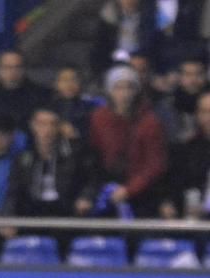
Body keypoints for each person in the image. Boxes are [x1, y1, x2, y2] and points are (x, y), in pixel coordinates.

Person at [88, 64, 168, 218]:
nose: (124, 94)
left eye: (129, 88)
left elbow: (155, 164)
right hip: (106, 187)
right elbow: (93, 156)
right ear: (109, 91)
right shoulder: (98, 118)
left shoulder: (150, 122)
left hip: (141, 192)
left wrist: (129, 189)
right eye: (118, 88)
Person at [0, 50, 50, 136]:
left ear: (24, 69)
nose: (13, 71)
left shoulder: (41, 94)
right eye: (7, 67)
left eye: (17, 67)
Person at [161, 90, 210, 220]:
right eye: (205, 112)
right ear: (198, 115)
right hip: (193, 220)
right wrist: (168, 204)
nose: (209, 117)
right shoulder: (186, 149)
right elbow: (174, 184)